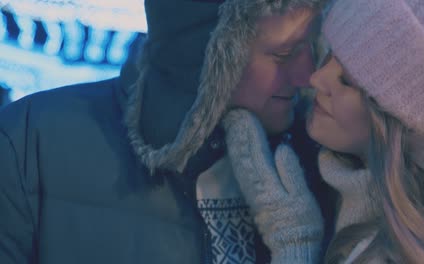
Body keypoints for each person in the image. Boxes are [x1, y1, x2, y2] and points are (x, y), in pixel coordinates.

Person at [0, 0, 333, 263]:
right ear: (207, 53)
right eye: (283, 54)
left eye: (313, 46)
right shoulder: (31, 145)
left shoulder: (325, 167)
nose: (308, 75)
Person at [223, 0, 424, 263]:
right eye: (331, 54)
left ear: (405, 122)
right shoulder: (344, 186)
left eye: (346, 82)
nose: (315, 78)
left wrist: (295, 246)